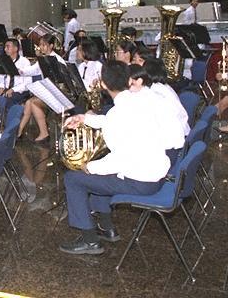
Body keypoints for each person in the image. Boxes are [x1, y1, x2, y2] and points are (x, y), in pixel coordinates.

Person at [58, 60, 171, 256]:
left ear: (102, 84)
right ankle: (107, 228)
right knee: (98, 179)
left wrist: (89, 166)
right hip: (156, 172)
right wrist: (85, 118)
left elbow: (120, 160)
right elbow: (114, 121)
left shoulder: (119, 113)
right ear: (129, 81)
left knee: (73, 179)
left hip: (140, 181)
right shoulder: (141, 99)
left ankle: (90, 241)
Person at [17, 34, 66, 142]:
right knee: (29, 102)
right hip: (49, 91)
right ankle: (19, 131)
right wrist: (20, 71)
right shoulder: (43, 59)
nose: (41, 47)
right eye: (40, 45)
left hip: (59, 93)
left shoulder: (57, 60)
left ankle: (43, 133)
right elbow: (33, 70)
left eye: (44, 45)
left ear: (51, 46)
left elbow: (63, 79)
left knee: (33, 102)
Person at [0, 38, 32, 132]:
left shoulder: (25, 62)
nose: (5, 49)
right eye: (5, 47)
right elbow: (1, 76)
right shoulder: (4, 61)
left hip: (20, 90)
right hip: (6, 88)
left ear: (16, 49)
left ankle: (8, 128)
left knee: (7, 101)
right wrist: (0, 86)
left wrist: (14, 90)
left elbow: (27, 83)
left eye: (8, 47)